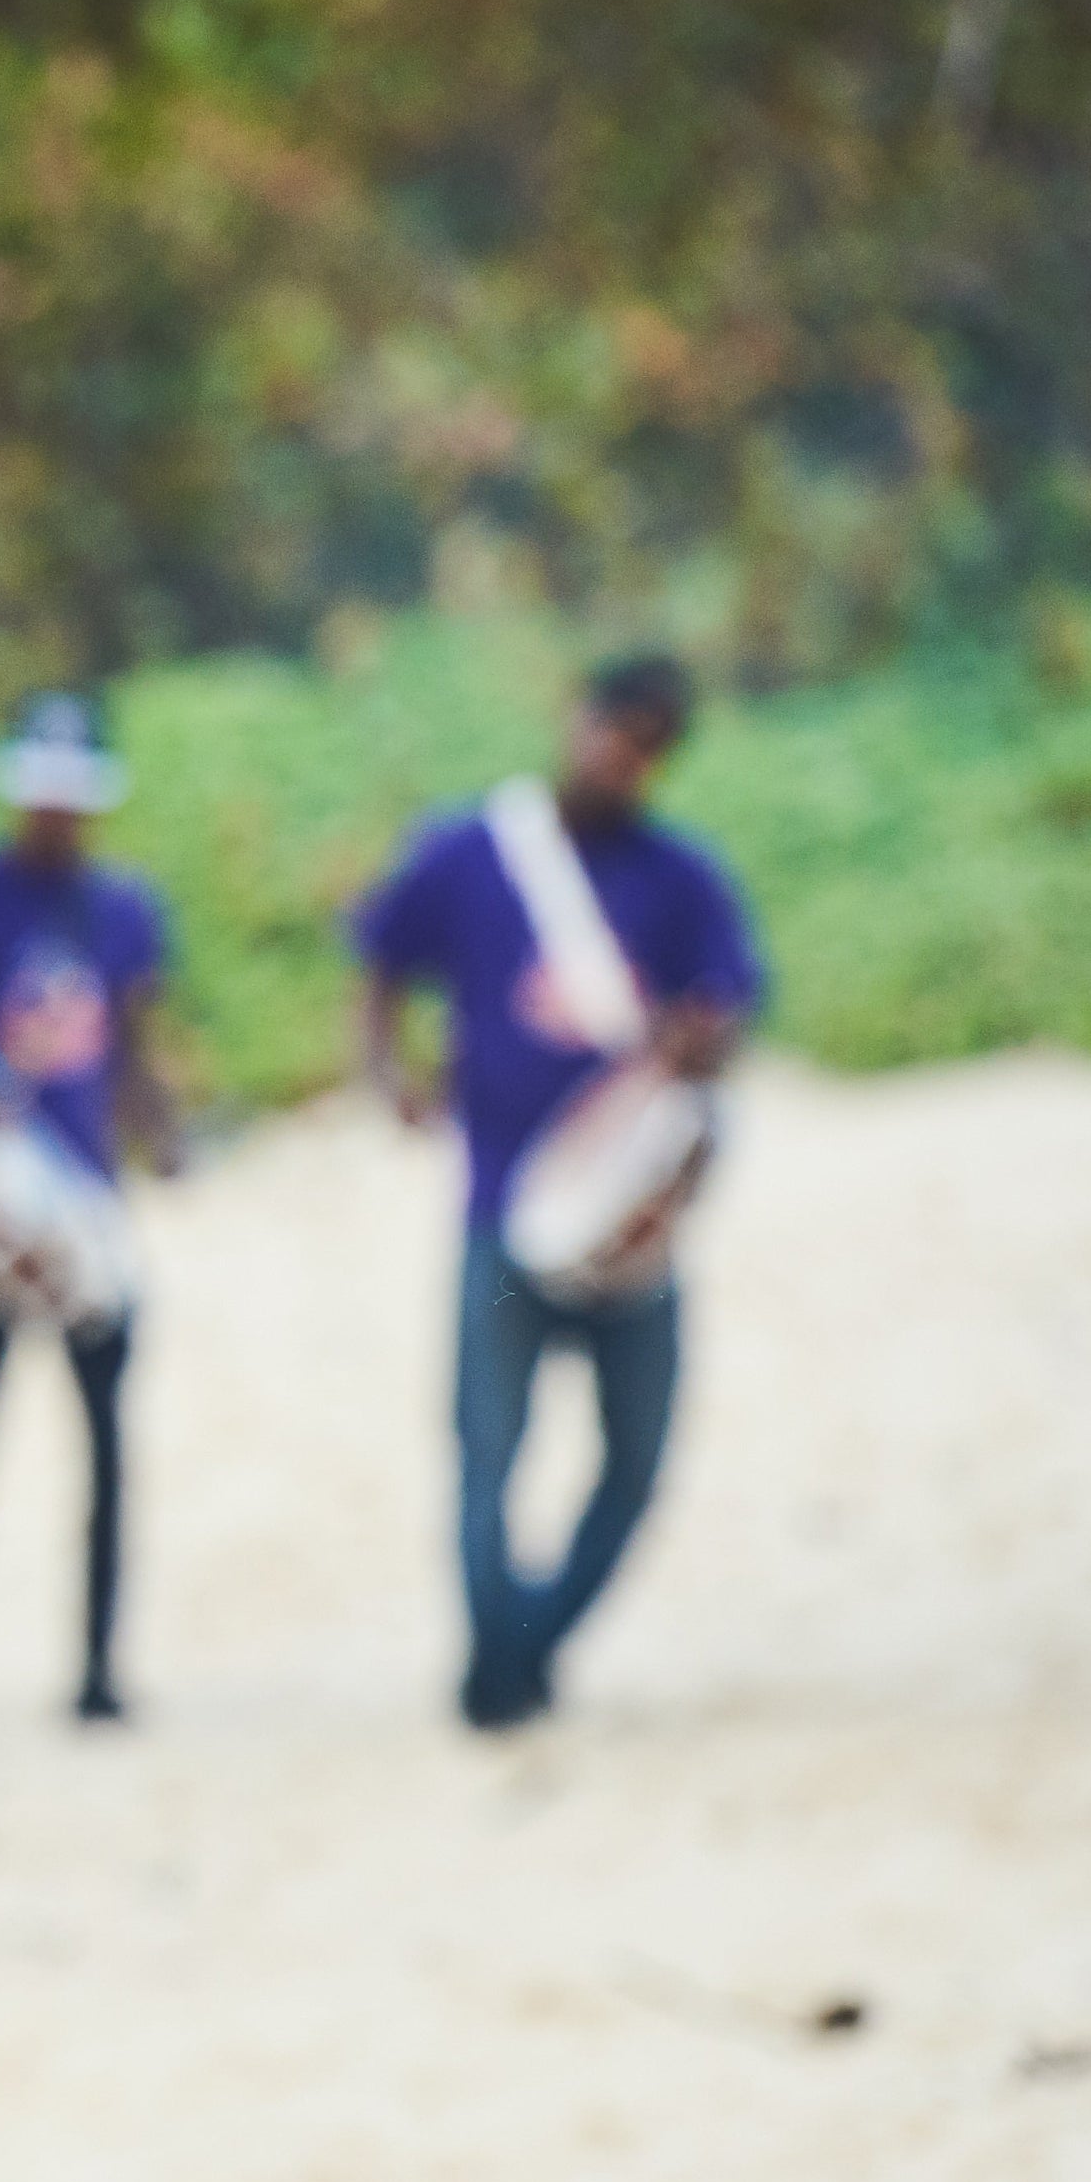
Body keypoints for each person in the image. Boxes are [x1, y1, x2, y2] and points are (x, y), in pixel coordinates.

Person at [355, 652, 764, 1730]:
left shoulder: (681, 879)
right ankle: (496, 1675)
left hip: (632, 1239)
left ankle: (527, 1646)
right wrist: (390, 1072)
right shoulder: (469, 852)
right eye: (611, 733)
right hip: (501, 1221)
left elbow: (726, 1015)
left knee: (635, 1460)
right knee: (486, 1448)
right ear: (573, 718)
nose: (619, 760)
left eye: (645, 749)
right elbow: (381, 954)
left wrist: (696, 1043)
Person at [0, 691, 182, 1726]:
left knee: (105, 1444)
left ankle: (99, 1674)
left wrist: (164, 1130)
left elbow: (134, 1048)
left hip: (85, 1196)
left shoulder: (126, 908)